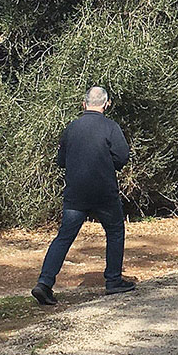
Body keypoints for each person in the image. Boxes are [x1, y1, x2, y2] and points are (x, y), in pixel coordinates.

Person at [32, 87, 134, 306]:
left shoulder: (71, 128)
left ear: (83, 104)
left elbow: (61, 161)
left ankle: (44, 282)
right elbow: (122, 157)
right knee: (115, 231)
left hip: (75, 193)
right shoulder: (111, 127)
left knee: (64, 237)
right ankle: (114, 280)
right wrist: (108, 165)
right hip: (104, 191)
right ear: (106, 104)